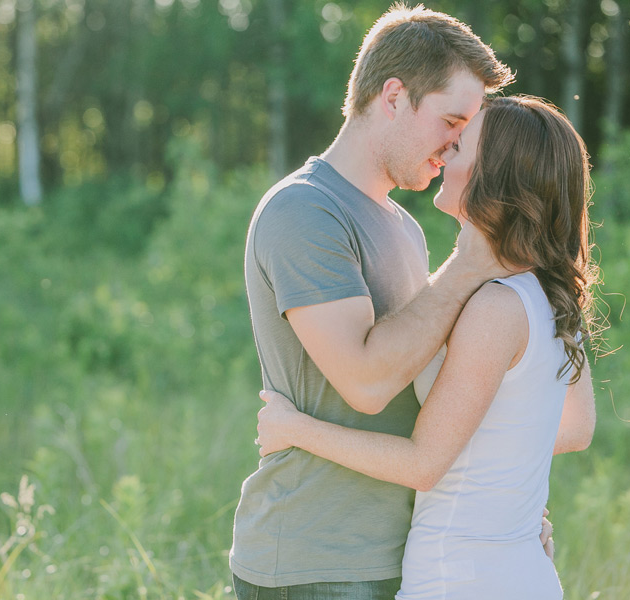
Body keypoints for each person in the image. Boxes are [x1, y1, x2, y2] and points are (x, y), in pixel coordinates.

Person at [256, 94, 598, 599]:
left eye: (459, 147)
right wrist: (502, 486)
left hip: (460, 575)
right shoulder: (548, 292)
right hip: (514, 569)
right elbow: (575, 426)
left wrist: (296, 429)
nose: (444, 155)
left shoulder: (494, 309)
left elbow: (423, 464)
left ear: (493, 176)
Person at [230, 4, 519, 599]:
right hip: (315, 562)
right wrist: (466, 269)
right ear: (393, 96)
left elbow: (433, 397)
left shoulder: (405, 227)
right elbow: (365, 384)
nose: (456, 145)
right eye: (450, 120)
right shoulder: (304, 212)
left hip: (399, 554)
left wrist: (501, 522)